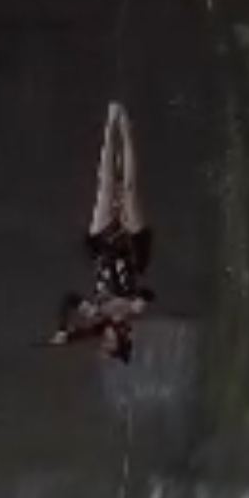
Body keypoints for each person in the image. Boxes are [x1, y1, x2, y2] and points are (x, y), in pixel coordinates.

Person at [47, 100, 153, 363]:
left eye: (104, 344)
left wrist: (63, 331)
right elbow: (148, 293)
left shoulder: (97, 319)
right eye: (110, 344)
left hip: (102, 250)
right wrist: (139, 301)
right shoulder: (130, 314)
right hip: (132, 248)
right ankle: (125, 128)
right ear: (121, 337)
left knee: (105, 188)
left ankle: (110, 122)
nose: (104, 341)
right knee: (128, 189)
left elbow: (69, 299)